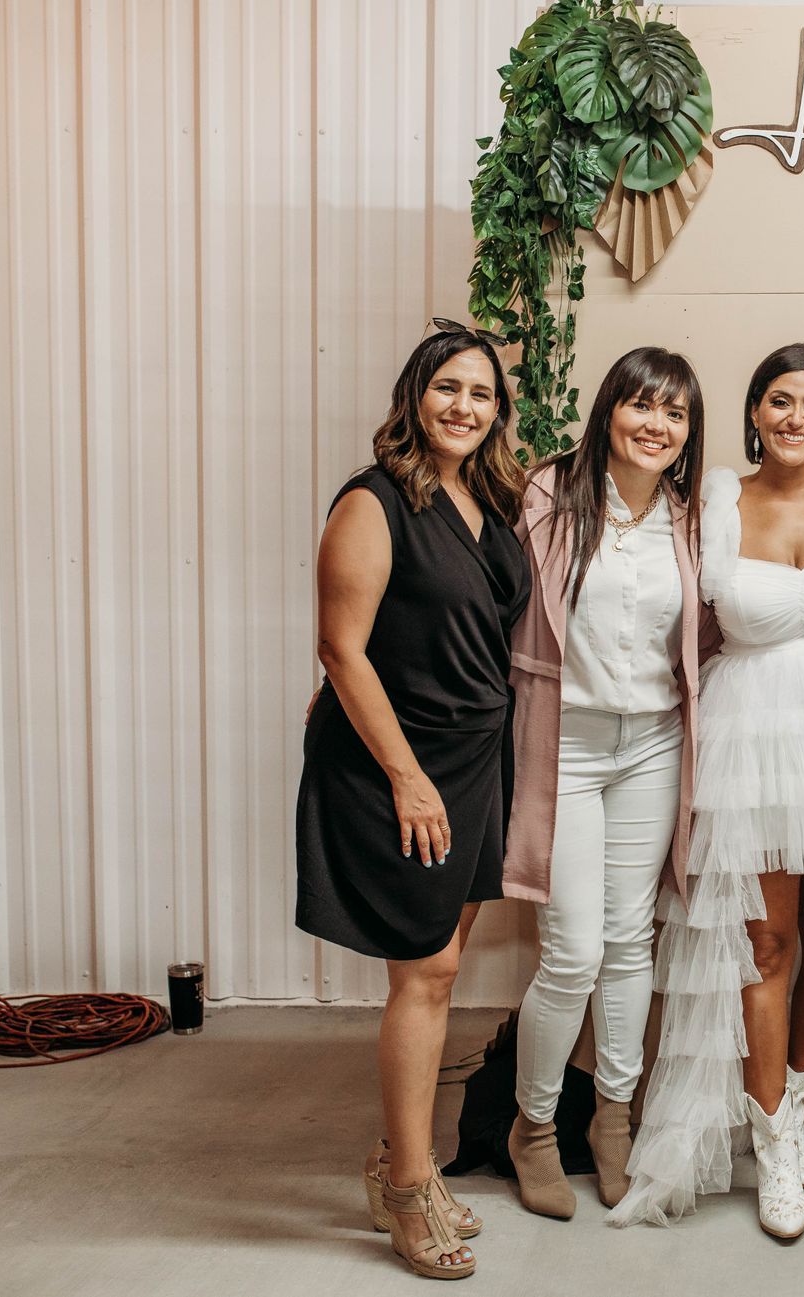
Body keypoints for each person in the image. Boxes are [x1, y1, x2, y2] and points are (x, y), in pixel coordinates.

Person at [611, 343, 804, 1239]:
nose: (795, 418)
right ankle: (771, 1142)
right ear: (753, 413)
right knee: (765, 944)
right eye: (779, 400)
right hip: (754, 744)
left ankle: (797, 1102)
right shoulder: (714, 506)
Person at [296, 320, 528, 1279]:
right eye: (447, 388)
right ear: (414, 396)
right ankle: (405, 1188)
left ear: (498, 411)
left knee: (444, 966)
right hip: (404, 763)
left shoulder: (491, 497)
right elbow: (341, 649)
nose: (463, 407)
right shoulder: (373, 500)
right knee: (425, 974)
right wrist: (405, 776)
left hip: (476, 756)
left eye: (481, 393)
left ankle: (407, 1160)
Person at [500, 347, 708, 1219]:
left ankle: (613, 1121)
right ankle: (535, 1128)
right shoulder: (545, 498)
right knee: (573, 951)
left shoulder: (691, 519)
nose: (657, 425)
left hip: (652, 745)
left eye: (675, 412)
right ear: (609, 410)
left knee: (630, 942)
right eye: (641, 404)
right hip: (565, 747)